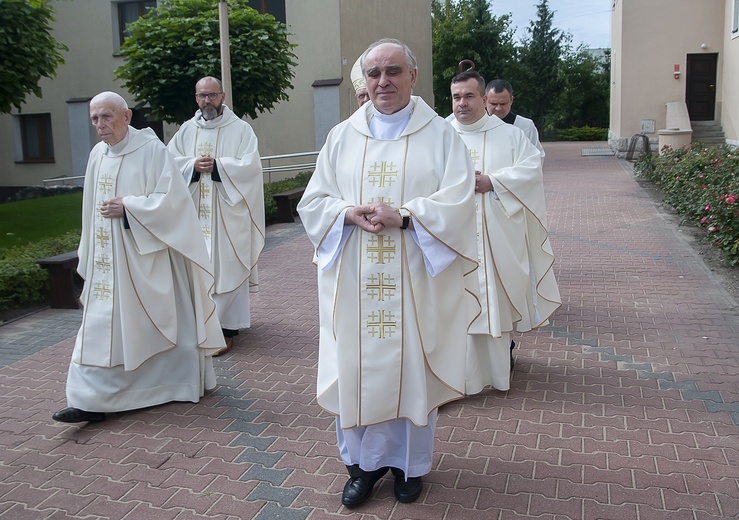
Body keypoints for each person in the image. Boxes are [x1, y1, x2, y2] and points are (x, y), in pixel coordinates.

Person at [297, 39, 479, 508]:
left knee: (410, 370)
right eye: (374, 73)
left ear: (413, 77)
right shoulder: (342, 136)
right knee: (356, 370)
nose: (383, 81)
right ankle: (360, 467)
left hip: (415, 282)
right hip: (354, 284)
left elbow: (459, 202)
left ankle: (408, 466)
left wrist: (408, 216)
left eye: (393, 71)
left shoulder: (441, 136)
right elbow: (313, 202)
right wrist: (345, 212)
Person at [52, 92, 225, 424]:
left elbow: (173, 202)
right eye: (94, 119)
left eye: (106, 117)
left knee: (147, 325)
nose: (100, 125)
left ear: (126, 116)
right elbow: (90, 209)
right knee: (99, 326)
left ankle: (163, 385)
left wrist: (129, 207)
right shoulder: (97, 155)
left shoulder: (152, 151)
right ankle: (87, 398)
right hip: (107, 262)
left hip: (145, 259)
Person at [450, 71, 561, 394]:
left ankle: (496, 374)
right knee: (452, 308)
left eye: (469, 96)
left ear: (484, 100)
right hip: (451, 240)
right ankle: (453, 378)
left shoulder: (510, 136)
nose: (462, 103)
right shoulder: (438, 134)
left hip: (496, 239)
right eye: (456, 97)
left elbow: (531, 170)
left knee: (491, 304)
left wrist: (493, 182)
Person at [168, 77, 265, 356]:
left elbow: (251, 166)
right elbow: (168, 162)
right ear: (195, 98)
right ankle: (199, 326)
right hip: (196, 215)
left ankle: (226, 330)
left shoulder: (241, 129)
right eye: (201, 96)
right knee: (198, 269)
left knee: (227, 266)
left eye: (211, 95)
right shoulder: (187, 131)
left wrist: (220, 167)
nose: (206, 101)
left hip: (228, 215)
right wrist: (192, 166)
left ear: (222, 95)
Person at [485, 79, 546, 158]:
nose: (498, 108)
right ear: (485, 100)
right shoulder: (477, 126)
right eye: (494, 103)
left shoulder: (526, 126)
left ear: (511, 100)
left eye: (503, 103)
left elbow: (537, 157)